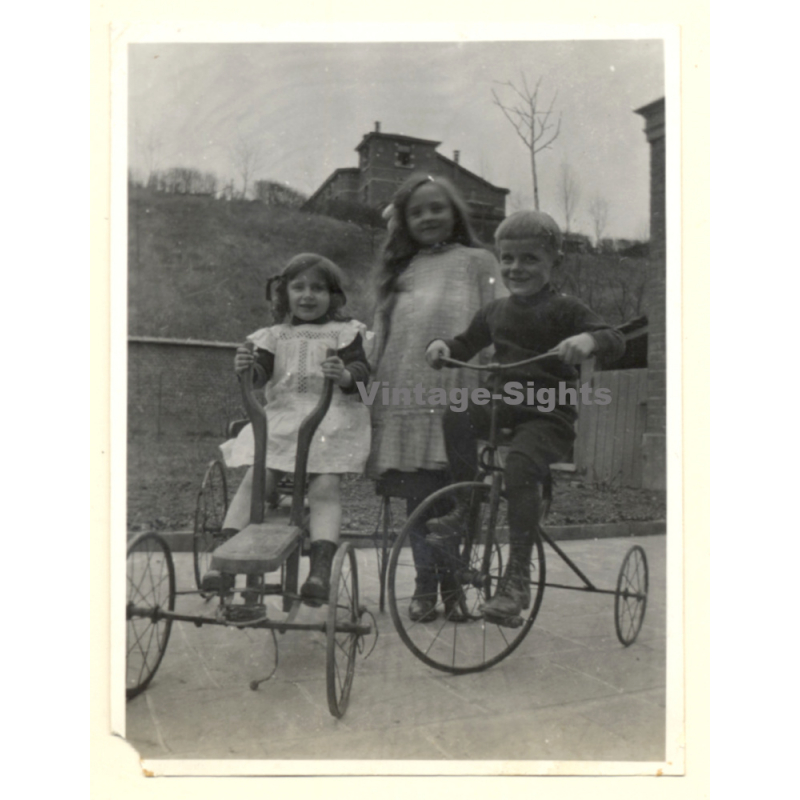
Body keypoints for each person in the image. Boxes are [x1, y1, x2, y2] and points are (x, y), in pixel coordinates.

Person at [424, 210, 626, 624]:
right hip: (502, 406)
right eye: (508, 259)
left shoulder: (566, 309)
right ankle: (467, 508)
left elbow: (615, 338)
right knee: (457, 414)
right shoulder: (494, 312)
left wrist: (588, 339)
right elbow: (464, 344)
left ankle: (516, 577)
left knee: (519, 467)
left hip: (548, 415)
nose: (517, 268)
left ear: (555, 262)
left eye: (530, 259)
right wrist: (441, 346)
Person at [368, 173, 502, 623]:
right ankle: (427, 586)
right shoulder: (400, 272)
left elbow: (499, 319)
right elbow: (382, 335)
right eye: (416, 211)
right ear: (403, 221)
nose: (428, 217)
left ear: (455, 214)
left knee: (455, 500)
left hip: (458, 394)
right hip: (404, 395)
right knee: (419, 500)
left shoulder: (477, 261)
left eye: (436, 208)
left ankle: (454, 589)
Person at [215, 253, 371, 605]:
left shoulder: (346, 333)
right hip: (283, 419)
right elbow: (260, 375)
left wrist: (345, 375)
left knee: (325, 487)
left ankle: (319, 568)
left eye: (318, 288)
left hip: (328, 417)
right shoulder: (273, 336)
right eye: (298, 287)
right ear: (284, 294)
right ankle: (224, 554)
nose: (307, 295)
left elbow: (362, 375)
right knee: (257, 478)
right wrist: (247, 368)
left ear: (333, 295)